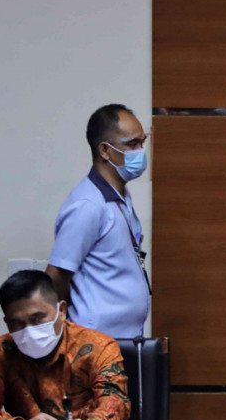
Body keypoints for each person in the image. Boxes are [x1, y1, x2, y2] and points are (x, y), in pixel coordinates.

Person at [0, 270, 131, 420]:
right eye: (17, 323)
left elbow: (116, 401)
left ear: (62, 311)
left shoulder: (98, 346)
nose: (29, 330)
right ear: (7, 322)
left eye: (37, 319)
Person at [46, 104, 150, 338]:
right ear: (105, 150)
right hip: (93, 341)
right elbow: (56, 277)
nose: (141, 151)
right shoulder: (87, 205)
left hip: (123, 338)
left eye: (143, 142)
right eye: (132, 144)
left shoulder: (119, 196)